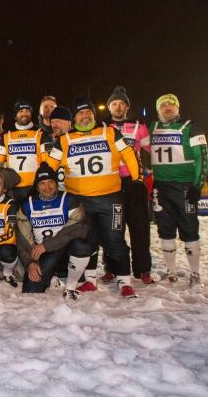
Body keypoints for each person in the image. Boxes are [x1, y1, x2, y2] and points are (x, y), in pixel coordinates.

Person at [46, 97, 143, 298]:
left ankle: (125, 282)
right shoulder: (64, 140)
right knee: (86, 241)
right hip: (80, 201)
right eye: (81, 113)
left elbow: (129, 155)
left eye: (89, 112)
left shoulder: (110, 132)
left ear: (94, 115)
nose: (85, 115)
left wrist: (137, 180)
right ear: (74, 118)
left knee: (114, 241)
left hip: (110, 199)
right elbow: (48, 168)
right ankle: (90, 280)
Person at [150, 93, 208, 285]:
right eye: (163, 105)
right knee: (165, 230)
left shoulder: (191, 127)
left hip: (184, 187)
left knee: (190, 229)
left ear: (178, 107)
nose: (167, 107)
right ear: (158, 110)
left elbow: (202, 158)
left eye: (171, 104)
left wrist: (197, 185)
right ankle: (171, 271)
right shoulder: (153, 127)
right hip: (160, 187)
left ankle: (195, 273)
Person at [16, 164, 95, 300]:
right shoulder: (27, 205)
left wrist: (47, 245)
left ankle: (70, 287)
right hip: (43, 255)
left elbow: (76, 229)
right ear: (37, 186)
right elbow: (22, 238)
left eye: (51, 182)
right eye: (42, 183)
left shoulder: (69, 200)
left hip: (66, 251)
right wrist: (30, 262)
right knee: (31, 291)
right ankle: (52, 276)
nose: (47, 187)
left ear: (56, 183)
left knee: (81, 245)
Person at [102, 86, 153, 284]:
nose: (118, 107)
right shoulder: (103, 127)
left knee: (140, 228)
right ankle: (112, 268)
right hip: (112, 183)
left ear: (127, 107)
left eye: (121, 104)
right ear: (109, 107)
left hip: (134, 183)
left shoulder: (139, 125)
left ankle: (143, 270)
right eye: (114, 104)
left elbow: (151, 150)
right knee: (113, 228)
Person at [0, 99, 52, 201]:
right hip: (12, 188)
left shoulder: (41, 134)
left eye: (27, 111)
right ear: (15, 115)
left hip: (35, 187)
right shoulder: (6, 136)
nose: (24, 113)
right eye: (21, 111)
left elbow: (48, 163)